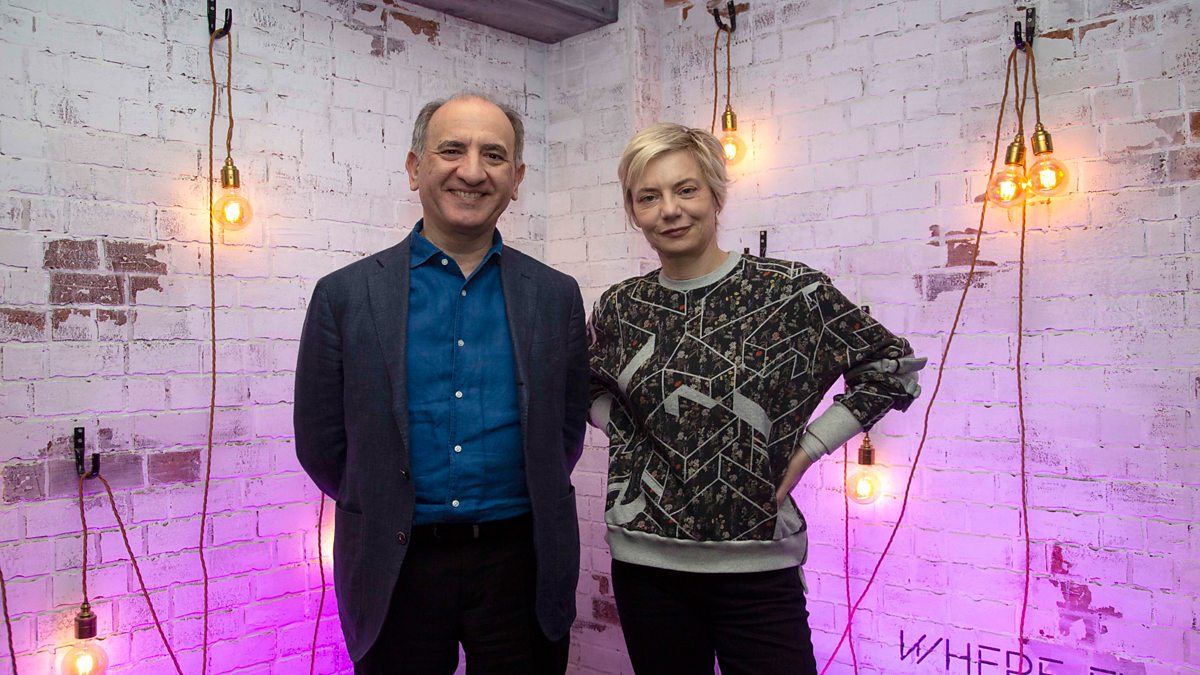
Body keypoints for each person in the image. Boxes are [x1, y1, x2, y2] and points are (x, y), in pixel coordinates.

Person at [588, 123, 926, 675]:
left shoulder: (790, 292)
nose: (669, 210)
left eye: (686, 190)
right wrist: (626, 433)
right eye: (648, 197)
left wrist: (810, 447)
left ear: (715, 195)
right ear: (634, 211)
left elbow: (891, 369)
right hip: (646, 566)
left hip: (758, 566)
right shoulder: (621, 306)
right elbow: (586, 382)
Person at [294, 94, 589, 675]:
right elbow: (322, 443)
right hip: (395, 564)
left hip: (521, 564)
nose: (472, 172)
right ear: (415, 168)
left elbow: (564, 432)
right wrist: (381, 498)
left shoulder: (557, 295)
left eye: (494, 156)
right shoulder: (344, 295)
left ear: (516, 179)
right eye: (452, 150)